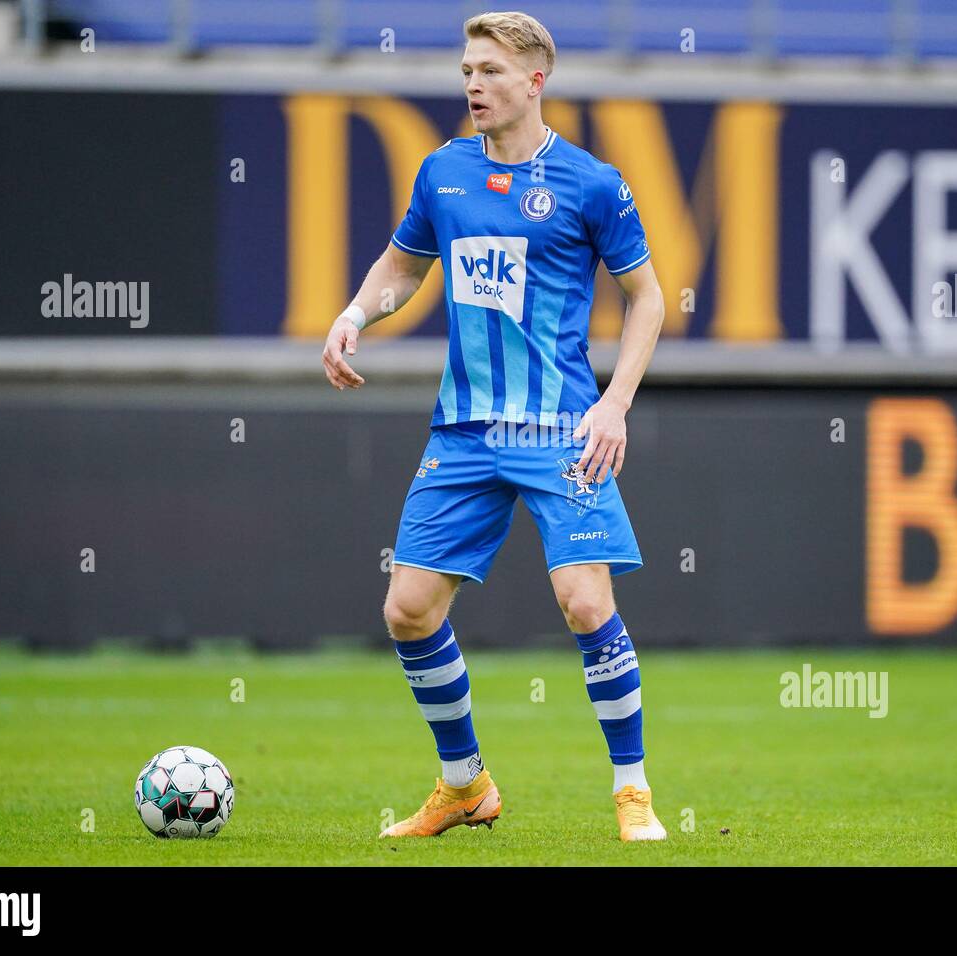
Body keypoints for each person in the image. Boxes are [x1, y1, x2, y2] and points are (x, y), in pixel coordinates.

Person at [323, 10, 666, 842]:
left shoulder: (591, 183)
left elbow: (647, 297)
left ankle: (633, 791)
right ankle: (464, 784)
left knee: (585, 602)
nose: (472, 84)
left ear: (534, 81)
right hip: (466, 431)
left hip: (559, 428)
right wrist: (357, 313)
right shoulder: (442, 174)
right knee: (407, 608)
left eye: (489, 71)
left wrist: (614, 402)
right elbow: (403, 265)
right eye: (467, 70)